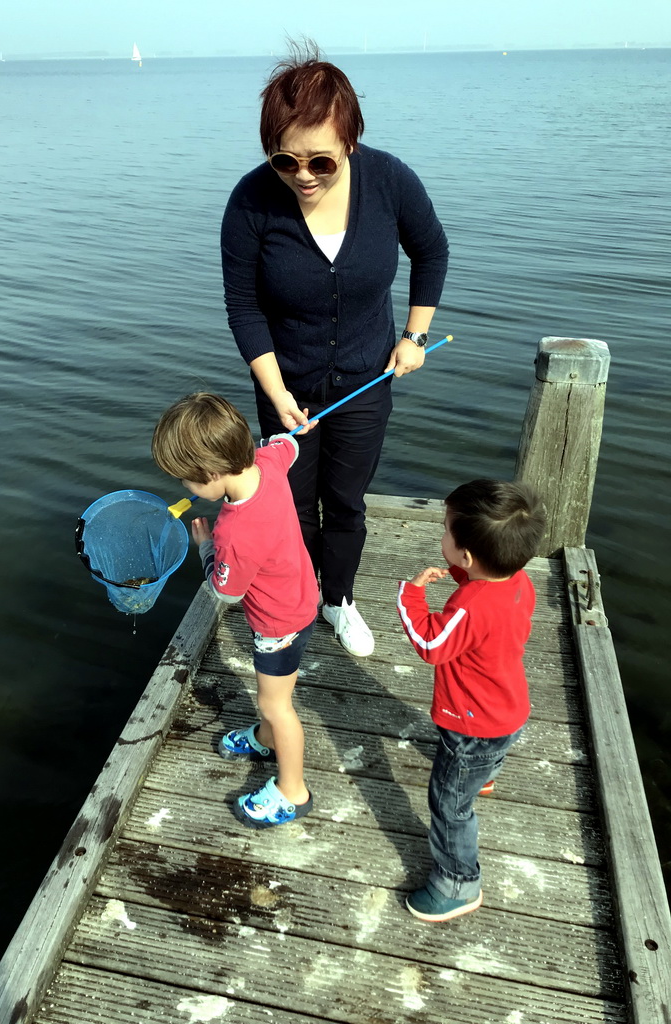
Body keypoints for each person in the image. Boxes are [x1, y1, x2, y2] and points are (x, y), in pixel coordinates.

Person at [221, 40, 449, 659]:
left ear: (350, 140)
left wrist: (414, 336)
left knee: (345, 502)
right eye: (284, 160)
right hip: (284, 385)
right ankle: (293, 600)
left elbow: (431, 250)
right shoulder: (250, 202)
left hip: (366, 381)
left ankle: (338, 599)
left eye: (320, 161)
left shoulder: (390, 181)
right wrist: (276, 394)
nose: (302, 175)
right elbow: (244, 306)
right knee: (291, 506)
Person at [152, 392, 319, 829]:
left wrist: (205, 546)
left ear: (210, 473)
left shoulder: (234, 532)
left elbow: (226, 589)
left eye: (188, 482)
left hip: (278, 623)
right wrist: (296, 429)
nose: (187, 489)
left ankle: (292, 790)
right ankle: (265, 740)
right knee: (275, 699)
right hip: (302, 598)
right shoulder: (267, 460)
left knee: (276, 705)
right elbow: (291, 443)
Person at [396, 479, 546, 922]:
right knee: (486, 759)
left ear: (465, 555)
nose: (440, 534)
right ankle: (485, 777)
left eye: (445, 529)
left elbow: (430, 642)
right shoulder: (519, 582)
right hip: (508, 710)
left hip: (471, 726)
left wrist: (411, 594)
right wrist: (467, 576)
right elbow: (486, 604)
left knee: (449, 806)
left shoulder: (467, 606)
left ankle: (458, 884)